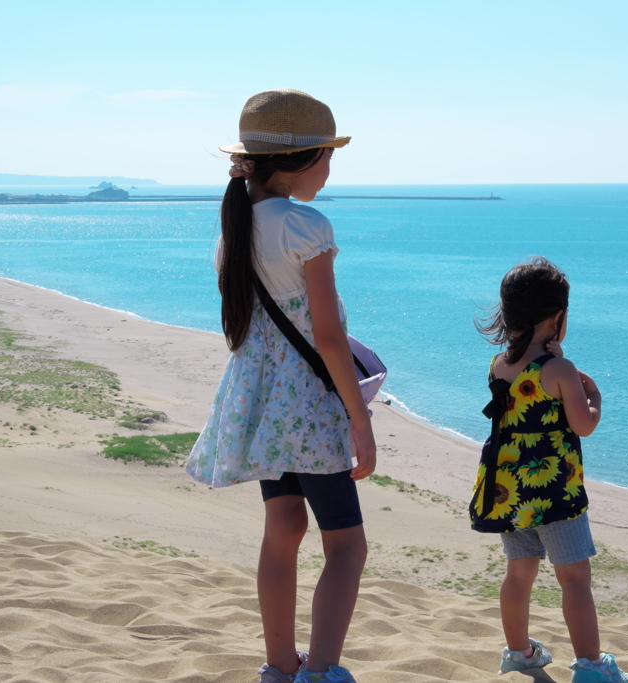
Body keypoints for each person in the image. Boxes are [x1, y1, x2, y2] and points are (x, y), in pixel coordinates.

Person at [185, 89, 375, 683]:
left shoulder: (233, 229)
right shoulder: (304, 224)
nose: (328, 169)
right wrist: (360, 419)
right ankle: (320, 670)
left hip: (262, 405)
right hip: (310, 411)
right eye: (326, 157)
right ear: (300, 159)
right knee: (346, 545)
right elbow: (326, 337)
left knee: (283, 531)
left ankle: (277, 664)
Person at [469, 257, 628, 683]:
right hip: (555, 493)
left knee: (518, 574)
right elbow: (584, 424)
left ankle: (520, 653)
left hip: (508, 487)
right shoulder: (560, 369)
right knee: (575, 578)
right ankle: (592, 667)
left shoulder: (498, 365)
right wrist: (594, 394)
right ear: (557, 316)